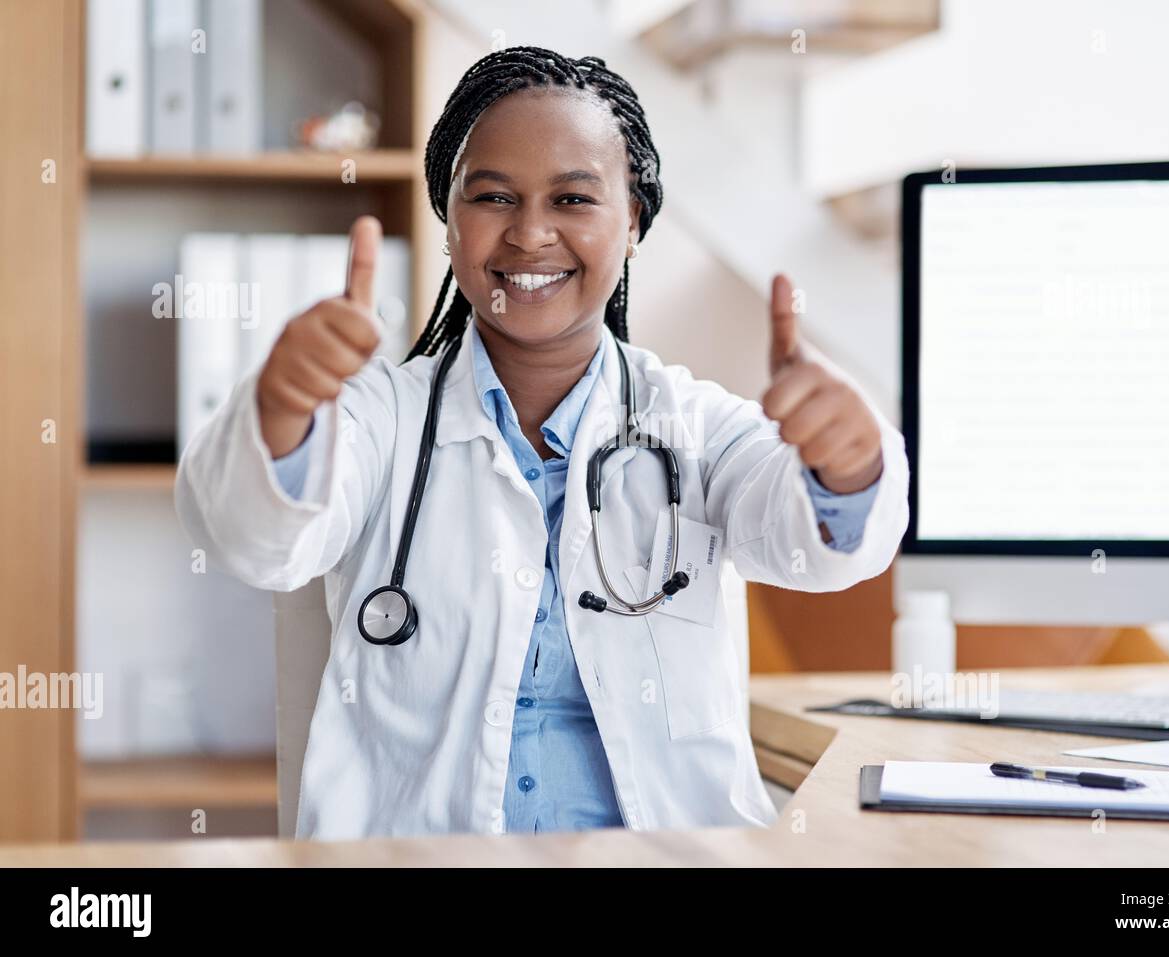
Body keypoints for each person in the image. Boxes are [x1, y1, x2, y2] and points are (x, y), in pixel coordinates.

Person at [175, 46, 909, 839]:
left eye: (573, 198)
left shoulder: (692, 424)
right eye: (493, 195)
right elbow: (254, 540)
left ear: (633, 221)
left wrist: (847, 463)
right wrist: (281, 410)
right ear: (449, 221)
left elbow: (820, 546)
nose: (529, 234)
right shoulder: (379, 419)